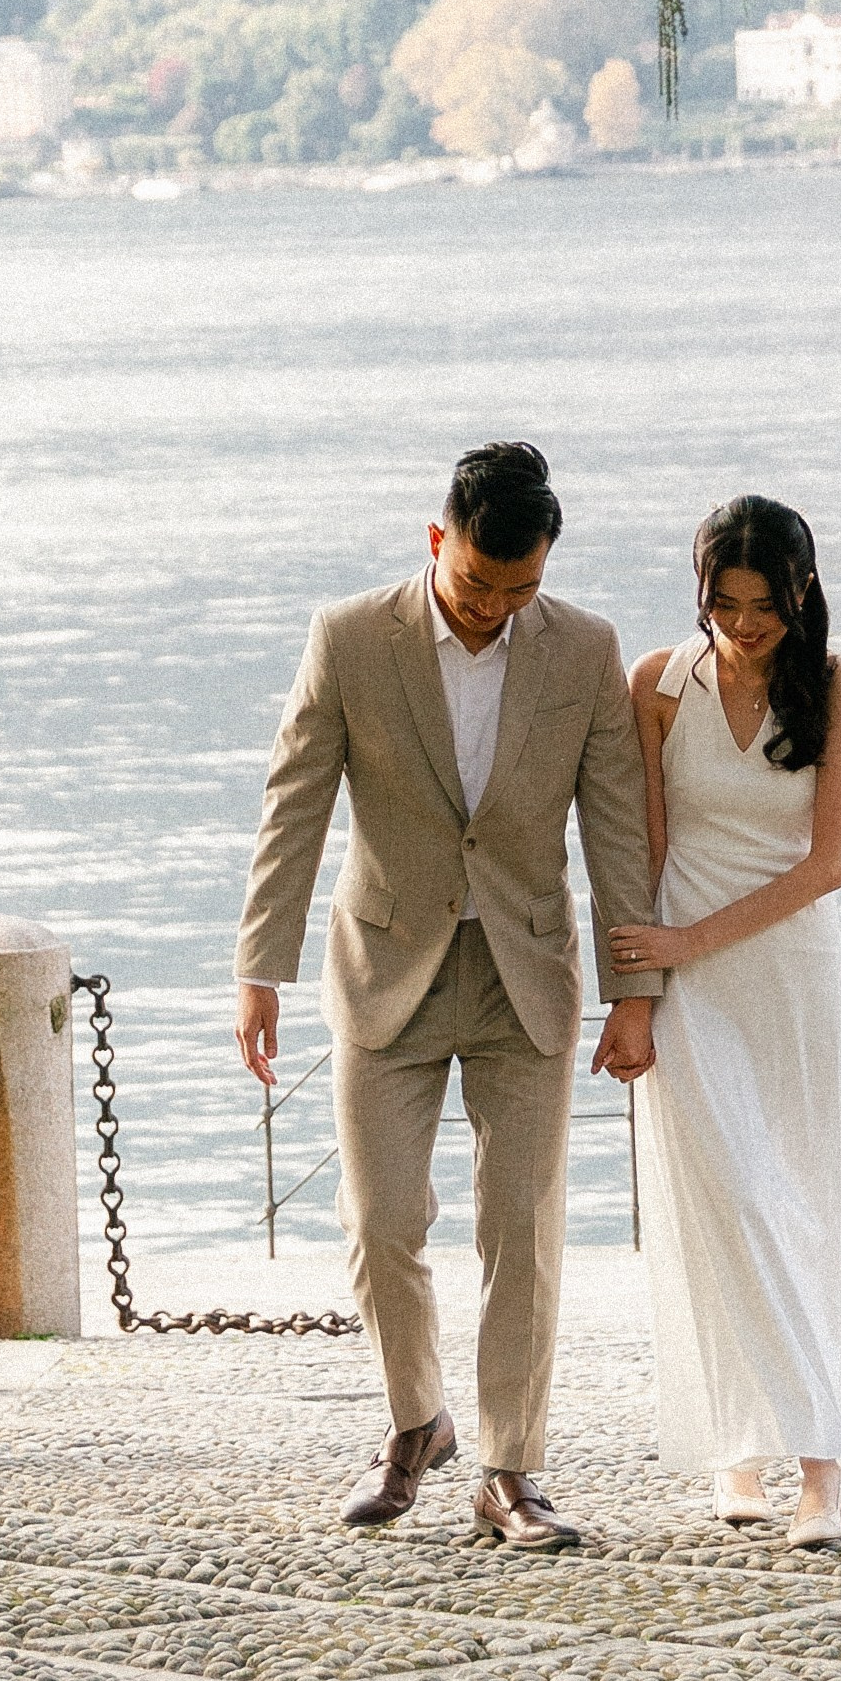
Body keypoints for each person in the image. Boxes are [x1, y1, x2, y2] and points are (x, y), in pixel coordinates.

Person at [232, 442, 658, 1546]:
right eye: (477, 585)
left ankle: (509, 1470)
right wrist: (258, 968)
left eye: (520, 590)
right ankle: (416, 1424)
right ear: (437, 544)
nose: (493, 610)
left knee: (522, 1226)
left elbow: (613, 826)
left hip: (527, 970)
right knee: (381, 1223)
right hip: (386, 968)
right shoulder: (348, 638)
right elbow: (295, 803)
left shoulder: (584, 650)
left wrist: (635, 992)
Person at [599, 495, 841, 1548]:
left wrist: (686, 945)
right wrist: (636, 996)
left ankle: (823, 1466)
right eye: (724, 603)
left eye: (764, 605)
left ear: (801, 593)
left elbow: (827, 865)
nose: (744, 626)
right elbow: (642, 852)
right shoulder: (659, 686)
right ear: (699, 590)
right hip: (688, 987)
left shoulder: (836, 687)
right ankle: (738, 1447)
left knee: (795, 1205)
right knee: (723, 1204)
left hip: (790, 979)